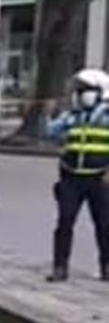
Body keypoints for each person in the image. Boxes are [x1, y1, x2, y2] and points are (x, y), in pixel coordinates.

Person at [43, 68, 109, 282]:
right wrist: (49, 114)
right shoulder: (72, 116)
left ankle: (106, 267)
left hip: (99, 178)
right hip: (72, 177)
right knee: (65, 222)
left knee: (104, 224)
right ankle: (60, 267)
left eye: (85, 89)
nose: (80, 94)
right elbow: (52, 132)